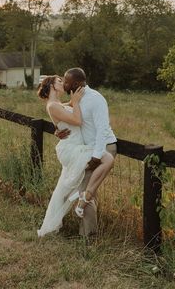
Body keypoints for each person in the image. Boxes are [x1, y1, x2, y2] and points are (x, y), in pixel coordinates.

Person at [56, 67, 117, 237]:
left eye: (66, 81)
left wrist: (97, 157)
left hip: (103, 148)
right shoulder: (76, 99)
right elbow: (67, 117)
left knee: (85, 191)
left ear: (75, 83)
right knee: (89, 191)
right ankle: (88, 233)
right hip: (86, 149)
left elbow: (102, 130)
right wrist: (58, 130)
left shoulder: (95, 99)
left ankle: (88, 237)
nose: (64, 82)